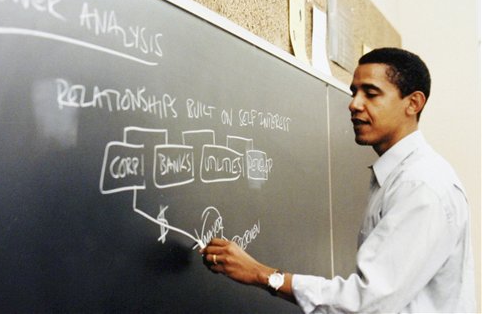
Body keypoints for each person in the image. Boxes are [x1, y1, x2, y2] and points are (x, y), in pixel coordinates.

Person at [200, 48, 476, 313]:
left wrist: (262, 274)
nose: (354, 104)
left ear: (413, 103)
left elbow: (366, 302)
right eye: (354, 92)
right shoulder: (403, 176)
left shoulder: (420, 186)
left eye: (371, 93)